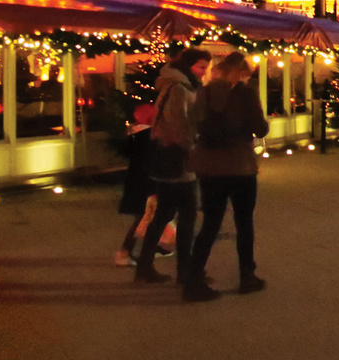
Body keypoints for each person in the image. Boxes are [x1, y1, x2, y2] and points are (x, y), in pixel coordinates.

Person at [187, 51, 271, 297]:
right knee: (244, 222)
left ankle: (194, 278)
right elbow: (260, 128)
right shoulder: (245, 94)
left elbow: (192, 122)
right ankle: (247, 275)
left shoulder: (204, 92)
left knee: (210, 223)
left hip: (209, 166)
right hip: (239, 165)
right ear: (240, 72)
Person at [136, 47, 211, 299]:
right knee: (188, 214)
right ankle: (184, 271)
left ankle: (145, 266)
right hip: (178, 158)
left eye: (206, 67)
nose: (203, 71)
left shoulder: (179, 85)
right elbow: (180, 125)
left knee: (165, 212)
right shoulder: (179, 88)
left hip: (168, 155)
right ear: (188, 66)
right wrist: (193, 150)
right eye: (200, 66)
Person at [113, 104, 174, 267]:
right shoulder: (150, 137)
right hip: (146, 183)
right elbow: (152, 162)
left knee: (147, 217)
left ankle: (152, 246)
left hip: (136, 182)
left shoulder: (135, 136)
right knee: (143, 217)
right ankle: (125, 252)